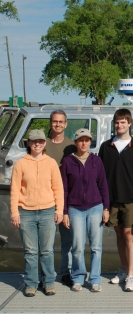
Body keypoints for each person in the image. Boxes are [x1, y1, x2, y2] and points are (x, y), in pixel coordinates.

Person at [10, 129, 64, 297]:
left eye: (40, 141)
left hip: (48, 211)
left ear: (44, 143)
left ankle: (48, 282)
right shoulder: (20, 164)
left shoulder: (51, 163)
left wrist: (59, 210)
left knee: (47, 250)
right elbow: (15, 190)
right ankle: (31, 283)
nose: (37, 144)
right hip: (26, 212)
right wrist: (14, 213)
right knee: (31, 251)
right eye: (34, 141)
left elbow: (58, 188)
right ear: (29, 143)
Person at [99, 108, 133, 291]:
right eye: (117, 122)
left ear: (129, 123)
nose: (120, 125)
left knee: (129, 234)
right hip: (111, 199)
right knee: (118, 233)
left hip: (130, 199)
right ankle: (124, 268)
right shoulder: (106, 147)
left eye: (123, 122)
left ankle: (130, 276)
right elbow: (101, 176)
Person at [60, 128, 110, 293]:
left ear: (90, 142)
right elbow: (64, 189)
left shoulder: (97, 161)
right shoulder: (68, 162)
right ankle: (78, 277)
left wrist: (106, 208)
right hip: (75, 209)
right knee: (77, 246)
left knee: (96, 246)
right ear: (76, 142)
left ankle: (95, 278)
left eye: (87, 140)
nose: (84, 143)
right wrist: (65, 211)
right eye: (81, 140)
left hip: (96, 207)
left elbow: (103, 185)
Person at [46, 110, 77, 286]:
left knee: (68, 241)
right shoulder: (43, 144)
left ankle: (66, 272)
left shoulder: (71, 146)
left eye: (61, 122)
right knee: (47, 243)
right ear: (51, 123)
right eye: (55, 121)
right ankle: (47, 275)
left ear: (65, 124)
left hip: (66, 200)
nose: (57, 124)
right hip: (46, 199)